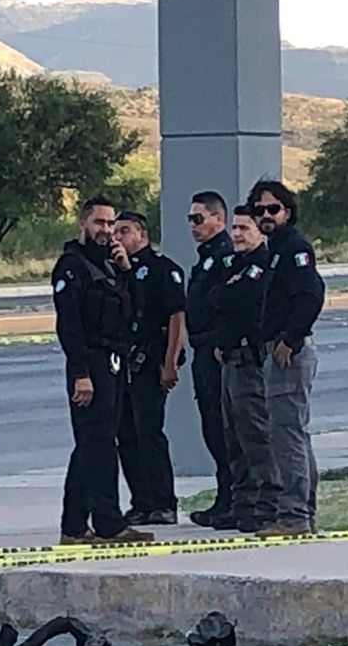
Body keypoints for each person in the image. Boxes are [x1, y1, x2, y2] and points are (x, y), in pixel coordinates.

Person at [52, 197, 154, 545]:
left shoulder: (111, 266)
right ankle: (109, 524)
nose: (107, 231)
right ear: (83, 223)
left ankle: (74, 526)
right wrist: (81, 372)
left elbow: (136, 310)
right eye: (100, 223)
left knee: (92, 445)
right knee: (98, 447)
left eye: (111, 225)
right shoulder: (72, 266)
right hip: (90, 363)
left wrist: (126, 271)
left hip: (114, 360)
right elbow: (70, 325)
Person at [252, 178, 325, 537]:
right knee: (292, 432)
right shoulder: (276, 250)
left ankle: (294, 516)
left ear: (287, 212)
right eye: (259, 210)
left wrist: (289, 340)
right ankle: (301, 510)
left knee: (287, 435)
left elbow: (311, 296)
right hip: (278, 350)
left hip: (289, 355)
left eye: (273, 209)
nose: (265, 215)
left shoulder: (295, 248)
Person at [112, 210, 188, 527]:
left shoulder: (161, 269)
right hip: (123, 362)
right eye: (114, 232)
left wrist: (170, 362)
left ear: (142, 235)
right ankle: (141, 501)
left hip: (151, 360)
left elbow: (176, 316)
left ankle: (163, 502)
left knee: (149, 433)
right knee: (125, 434)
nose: (118, 238)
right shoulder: (114, 271)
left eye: (125, 231)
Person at [212, 205, 279, 532]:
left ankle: (267, 505)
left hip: (249, 361)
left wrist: (228, 290)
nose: (236, 234)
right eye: (235, 228)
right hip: (228, 360)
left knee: (256, 436)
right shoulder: (232, 264)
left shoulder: (261, 265)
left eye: (244, 228)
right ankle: (243, 504)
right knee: (233, 438)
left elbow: (239, 298)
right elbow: (214, 298)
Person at [183, 191, 236, 528]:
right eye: (190, 219)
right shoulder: (205, 257)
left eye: (198, 218)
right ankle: (224, 497)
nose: (192, 225)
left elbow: (225, 306)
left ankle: (232, 500)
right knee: (211, 427)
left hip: (215, 351)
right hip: (201, 349)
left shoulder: (225, 256)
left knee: (223, 428)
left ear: (219, 218)